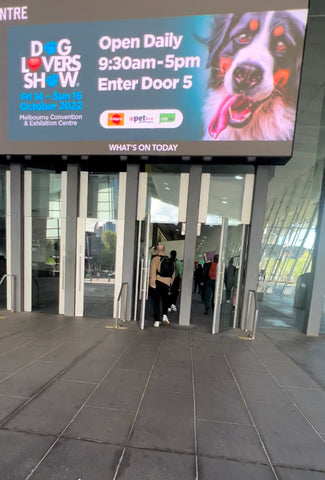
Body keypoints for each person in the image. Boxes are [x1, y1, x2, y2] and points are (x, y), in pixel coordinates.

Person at [149, 244, 175, 327]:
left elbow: (153, 273)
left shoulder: (155, 259)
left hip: (158, 282)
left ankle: (157, 321)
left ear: (157, 250)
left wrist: (152, 285)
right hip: (167, 283)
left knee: (157, 302)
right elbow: (173, 274)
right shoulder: (169, 260)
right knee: (165, 300)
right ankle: (164, 315)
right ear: (164, 250)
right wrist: (170, 283)